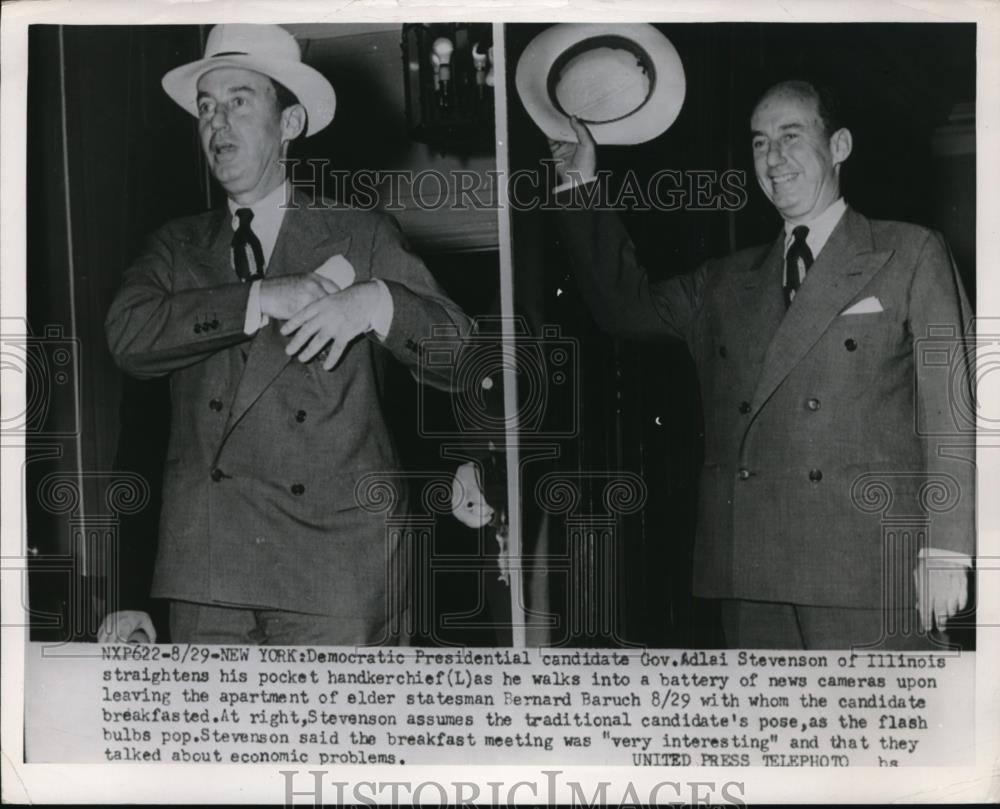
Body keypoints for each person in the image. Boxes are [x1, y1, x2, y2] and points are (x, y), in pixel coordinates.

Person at [545, 79, 974, 649]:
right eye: (759, 142)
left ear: (839, 146)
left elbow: (954, 410)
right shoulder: (725, 280)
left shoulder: (911, 253)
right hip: (750, 571)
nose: (773, 158)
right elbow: (624, 306)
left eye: (790, 136)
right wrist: (579, 183)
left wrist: (947, 548)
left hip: (866, 568)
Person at [98, 24, 470, 645]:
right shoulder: (174, 248)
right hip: (207, 575)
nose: (217, 122)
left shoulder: (361, 234)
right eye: (206, 107)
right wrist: (260, 296)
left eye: (239, 100)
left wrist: (378, 302)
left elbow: (461, 353)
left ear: (290, 123)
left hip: (338, 569)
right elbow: (128, 336)